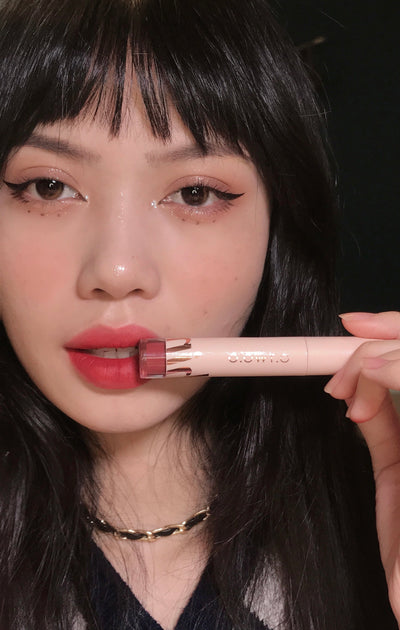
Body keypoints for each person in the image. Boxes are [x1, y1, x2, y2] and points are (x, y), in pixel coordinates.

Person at [0, 0, 399, 628]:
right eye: (48, 186)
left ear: (278, 225)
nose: (117, 270)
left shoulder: (369, 507)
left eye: (194, 193)